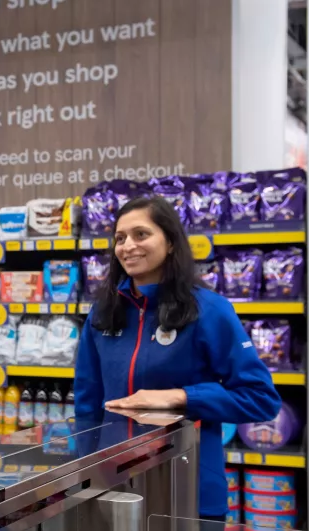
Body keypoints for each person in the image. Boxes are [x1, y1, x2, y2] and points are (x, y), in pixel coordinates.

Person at [73, 196, 281, 521]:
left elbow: (261, 399)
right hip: (115, 491)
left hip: (188, 492)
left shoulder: (208, 311)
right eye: (120, 238)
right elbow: (87, 407)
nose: (128, 246)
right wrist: (85, 477)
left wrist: (179, 397)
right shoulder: (102, 315)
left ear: (170, 242)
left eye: (141, 234)